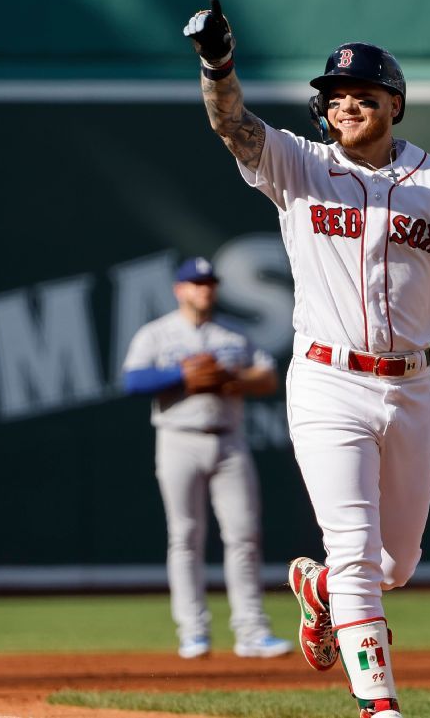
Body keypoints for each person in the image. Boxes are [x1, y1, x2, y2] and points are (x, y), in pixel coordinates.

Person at [183, 0, 430, 717]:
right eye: (335, 97)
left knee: (397, 563)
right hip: (328, 379)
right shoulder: (300, 165)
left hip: (412, 385)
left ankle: (319, 585)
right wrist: (218, 64)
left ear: (395, 104)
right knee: (357, 551)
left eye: (365, 94)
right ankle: (378, 706)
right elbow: (231, 125)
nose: (348, 105)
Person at [121, 255, 293, 661]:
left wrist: (233, 378)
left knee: (244, 536)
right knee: (184, 537)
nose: (205, 290)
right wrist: (181, 375)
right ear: (179, 290)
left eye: (209, 284)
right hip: (178, 438)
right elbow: (133, 380)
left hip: (229, 441)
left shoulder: (232, 333)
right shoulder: (157, 333)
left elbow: (268, 377)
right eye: (197, 284)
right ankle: (193, 631)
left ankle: (252, 631)